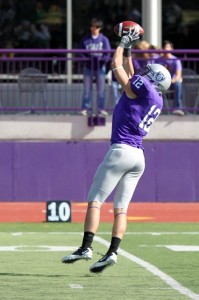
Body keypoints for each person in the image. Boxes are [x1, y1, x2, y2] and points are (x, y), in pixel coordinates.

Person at [62, 27, 171, 274]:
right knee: (121, 208)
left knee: (95, 201)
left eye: (147, 72)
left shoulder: (141, 88)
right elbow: (133, 75)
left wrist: (121, 44)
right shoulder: (157, 97)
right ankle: (112, 252)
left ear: (151, 79)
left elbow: (116, 66)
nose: (143, 71)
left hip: (121, 150)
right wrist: (131, 50)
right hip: (139, 157)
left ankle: (86, 248)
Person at [79, 18, 111, 116]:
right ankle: (85, 108)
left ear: (100, 28)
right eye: (93, 26)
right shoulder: (85, 39)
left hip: (100, 67)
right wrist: (86, 60)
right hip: (88, 67)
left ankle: (100, 108)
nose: (94, 29)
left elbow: (107, 53)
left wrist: (102, 60)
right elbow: (80, 52)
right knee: (87, 89)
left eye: (97, 27)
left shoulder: (104, 39)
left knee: (101, 90)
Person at [157, 40, 184, 116]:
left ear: (171, 49)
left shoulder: (176, 60)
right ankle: (157, 108)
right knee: (153, 86)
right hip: (161, 83)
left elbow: (178, 75)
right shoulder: (158, 59)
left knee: (178, 84)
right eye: (165, 47)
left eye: (168, 47)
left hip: (172, 82)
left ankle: (177, 108)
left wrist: (172, 80)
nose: (166, 49)